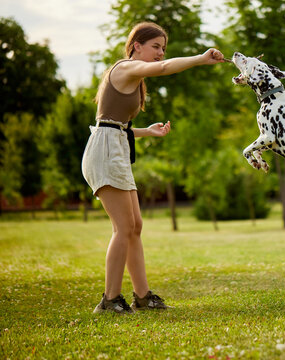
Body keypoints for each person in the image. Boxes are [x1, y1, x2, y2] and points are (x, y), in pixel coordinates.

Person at [81, 22, 224, 314]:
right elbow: (161, 70)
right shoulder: (124, 68)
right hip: (106, 151)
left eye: (163, 49)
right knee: (123, 228)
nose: (161, 54)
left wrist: (147, 131)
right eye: (156, 47)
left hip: (115, 147)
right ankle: (109, 300)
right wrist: (200, 59)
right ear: (137, 46)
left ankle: (143, 297)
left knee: (135, 226)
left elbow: (115, 125)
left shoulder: (132, 76)